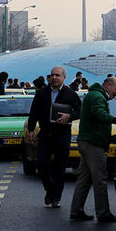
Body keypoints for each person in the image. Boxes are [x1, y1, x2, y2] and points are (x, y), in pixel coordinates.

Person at [70, 77, 116, 222]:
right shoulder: (97, 96)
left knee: (84, 179)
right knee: (100, 179)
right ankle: (103, 212)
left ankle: (76, 210)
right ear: (108, 85)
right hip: (93, 144)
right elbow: (98, 114)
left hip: (87, 141)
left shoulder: (93, 94)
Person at [27, 65, 81, 208]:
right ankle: (50, 189)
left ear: (64, 77)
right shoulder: (42, 93)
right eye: (52, 75)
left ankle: (56, 197)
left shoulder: (71, 94)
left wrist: (69, 116)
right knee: (41, 164)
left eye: (58, 75)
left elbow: (80, 111)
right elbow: (34, 112)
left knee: (59, 168)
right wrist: (31, 129)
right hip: (45, 134)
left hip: (62, 135)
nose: (55, 78)